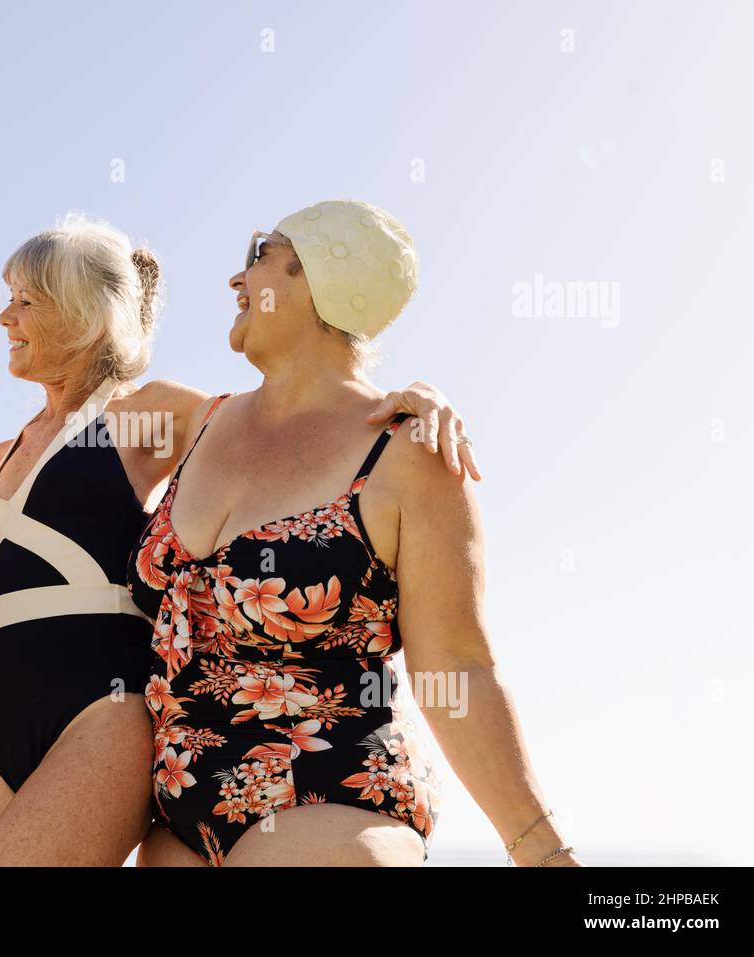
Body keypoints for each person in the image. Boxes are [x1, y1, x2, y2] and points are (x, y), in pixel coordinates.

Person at [0, 212, 479, 865]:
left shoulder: (143, 413)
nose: (5, 317)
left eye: (24, 300)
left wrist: (413, 397)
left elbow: (281, 425)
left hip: (103, 710)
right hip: (8, 726)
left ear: (81, 310)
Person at [128, 200, 579, 867]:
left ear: (317, 280)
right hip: (173, 820)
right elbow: (38, 457)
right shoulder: (188, 420)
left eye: (261, 253)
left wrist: (543, 852)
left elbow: (458, 665)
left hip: (331, 800)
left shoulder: (408, 455)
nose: (236, 277)